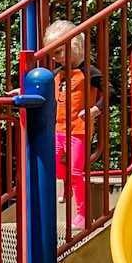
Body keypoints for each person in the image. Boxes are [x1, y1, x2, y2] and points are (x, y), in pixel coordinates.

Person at [41, 18, 100, 222]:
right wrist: (23, 91)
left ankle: (82, 214)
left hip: (79, 130)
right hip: (59, 129)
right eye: (52, 54)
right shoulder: (58, 74)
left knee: (76, 171)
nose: (55, 58)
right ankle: (66, 187)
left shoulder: (89, 73)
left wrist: (95, 109)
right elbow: (45, 91)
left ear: (74, 46)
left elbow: (111, 93)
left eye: (58, 52)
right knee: (54, 162)